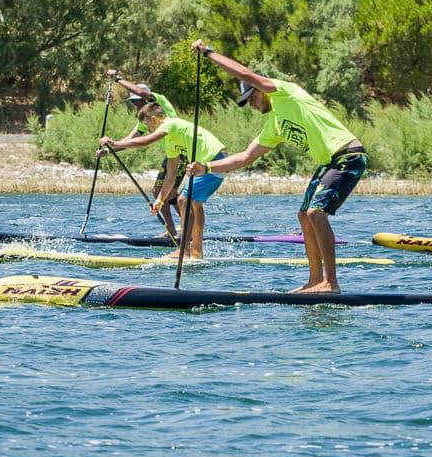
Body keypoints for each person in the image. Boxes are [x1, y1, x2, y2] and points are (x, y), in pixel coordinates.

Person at [185, 39, 367, 293]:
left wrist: (208, 54)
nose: (250, 103)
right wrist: (207, 167)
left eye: (252, 97)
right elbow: (245, 157)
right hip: (329, 162)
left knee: (316, 213)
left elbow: (245, 73)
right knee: (304, 216)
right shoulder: (274, 124)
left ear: (262, 90)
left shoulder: (284, 92)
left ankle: (331, 283)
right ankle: (315, 280)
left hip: (348, 155)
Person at [97, 102, 227, 260]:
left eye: (147, 124)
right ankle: (197, 252)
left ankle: (185, 252)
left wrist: (115, 143)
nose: (147, 128)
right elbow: (171, 174)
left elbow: (145, 141)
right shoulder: (169, 142)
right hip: (210, 163)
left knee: (184, 200)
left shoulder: (171, 123)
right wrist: (160, 199)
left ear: (153, 119)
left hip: (215, 160)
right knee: (194, 202)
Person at [107, 70, 182, 239]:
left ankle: (185, 231)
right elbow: (131, 139)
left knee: (165, 193)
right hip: (172, 154)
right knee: (164, 194)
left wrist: (118, 79)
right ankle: (174, 231)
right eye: (133, 103)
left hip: (182, 152)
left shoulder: (159, 103)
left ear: (146, 100)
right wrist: (108, 150)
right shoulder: (144, 120)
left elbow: (141, 92)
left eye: (137, 102)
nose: (135, 106)